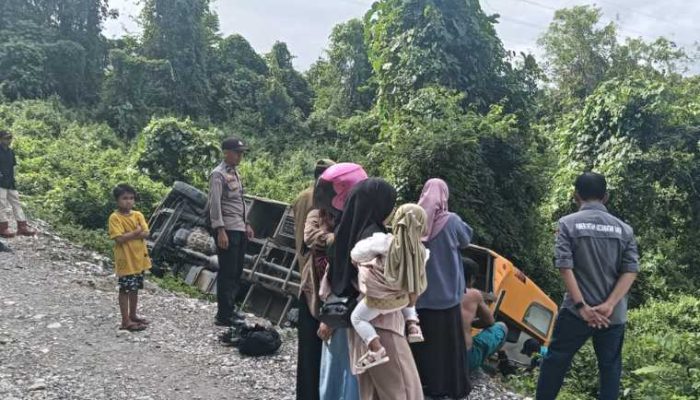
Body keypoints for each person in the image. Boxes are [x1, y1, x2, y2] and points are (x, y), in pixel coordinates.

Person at [536, 172, 639, 400]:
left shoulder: (567, 224)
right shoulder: (625, 230)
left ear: (576, 196)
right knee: (610, 369)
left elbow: (565, 266)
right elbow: (630, 270)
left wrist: (583, 306)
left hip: (575, 312)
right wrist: (610, 305)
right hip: (612, 316)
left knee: (556, 361)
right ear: (606, 197)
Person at [336, 178, 424, 400]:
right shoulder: (377, 236)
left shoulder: (348, 230)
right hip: (385, 326)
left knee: (372, 391)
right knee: (403, 389)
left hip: (362, 328)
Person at [411, 178, 473, 399]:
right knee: (447, 346)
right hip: (447, 297)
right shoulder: (452, 221)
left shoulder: (413, 219)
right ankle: (446, 386)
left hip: (418, 296)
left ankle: (419, 385)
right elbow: (466, 238)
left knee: (422, 342)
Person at [349, 204, 428, 372]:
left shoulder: (384, 242)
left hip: (382, 300)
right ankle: (413, 325)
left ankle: (376, 349)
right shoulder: (423, 251)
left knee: (357, 318)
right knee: (409, 286)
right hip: (405, 300)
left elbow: (356, 254)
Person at [314, 162, 367, 400]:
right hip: (353, 317)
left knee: (338, 373)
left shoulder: (350, 230)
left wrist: (330, 319)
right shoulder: (365, 228)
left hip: (344, 315)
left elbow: (342, 278)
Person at [292, 159, 335, 400]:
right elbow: (314, 239)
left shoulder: (301, 196)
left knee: (308, 345)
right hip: (320, 277)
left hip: (306, 271)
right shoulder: (324, 206)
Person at [207, 137, 255, 327]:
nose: (240, 156)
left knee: (236, 272)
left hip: (239, 227)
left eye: (241, 153)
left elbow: (239, 202)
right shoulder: (217, 175)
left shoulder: (234, 173)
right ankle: (224, 315)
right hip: (227, 229)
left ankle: (230, 308)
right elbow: (215, 204)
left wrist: (247, 223)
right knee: (227, 272)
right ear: (226, 152)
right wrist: (220, 230)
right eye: (237, 152)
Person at [108, 184, 152, 332]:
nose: (128, 201)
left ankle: (133, 315)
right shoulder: (115, 217)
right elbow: (119, 239)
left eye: (131, 198)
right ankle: (125, 321)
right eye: (124, 198)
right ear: (117, 200)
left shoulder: (138, 215)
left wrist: (131, 234)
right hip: (125, 261)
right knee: (125, 289)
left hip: (139, 259)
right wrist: (136, 232)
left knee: (135, 289)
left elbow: (146, 233)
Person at [460, 257, 508, 372]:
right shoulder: (473, 294)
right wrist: (469, 322)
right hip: (463, 359)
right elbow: (489, 322)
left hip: (432, 355)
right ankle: (480, 366)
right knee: (501, 327)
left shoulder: (433, 288)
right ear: (471, 279)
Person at [0, 130, 36, 237]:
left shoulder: (11, 152)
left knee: (16, 203)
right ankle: (3, 228)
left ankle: (22, 227)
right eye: (6, 138)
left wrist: (13, 179)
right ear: (0, 139)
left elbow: (13, 167)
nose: (9, 140)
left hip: (10, 182)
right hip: (0, 182)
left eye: (10, 137)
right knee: (1, 205)